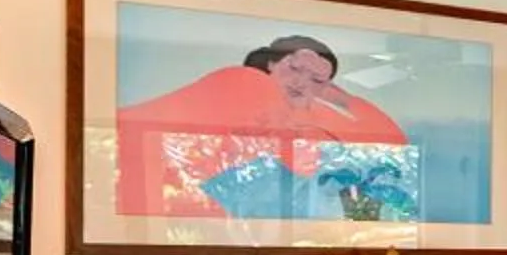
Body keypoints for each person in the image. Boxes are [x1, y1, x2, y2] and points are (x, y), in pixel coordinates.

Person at [113, 34, 414, 220]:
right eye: (294, 69)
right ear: (270, 64)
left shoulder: (310, 112)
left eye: (317, 80)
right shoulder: (243, 81)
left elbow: (393, 143)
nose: (300, 82)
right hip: (174, 192)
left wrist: (341, 99)